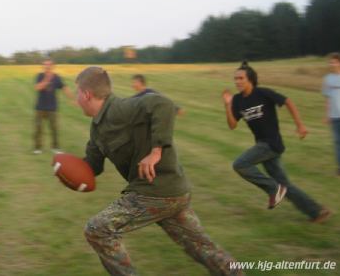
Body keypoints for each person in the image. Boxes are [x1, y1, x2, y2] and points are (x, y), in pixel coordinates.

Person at [76, 66, 241, 276]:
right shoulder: (97, 129)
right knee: (203, 248)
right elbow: (92, 167)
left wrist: (156, 151)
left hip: (154, 192)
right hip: (172, 194)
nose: (76, 97)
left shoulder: (122, 108)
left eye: (77, 93)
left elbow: (163, 104)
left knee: (97, 230)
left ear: (86, 94)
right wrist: (66, 170)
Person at [222, 61, 331, 222]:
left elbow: (288, 101)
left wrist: (300, 125)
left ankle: (274, 189)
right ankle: (317, 212)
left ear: (250, 79)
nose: (237, 81)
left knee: (240, 164)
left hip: (271, 144)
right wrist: (228, 105)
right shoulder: (237, 100)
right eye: (235, 79)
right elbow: (232, 125)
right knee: (285, 185)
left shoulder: (263, 93)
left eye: (240, 78)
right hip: (263, 144)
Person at [33, 59, 74, 154]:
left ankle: (55, 147)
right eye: (45, 65)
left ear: (53, 66)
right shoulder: (39, 76)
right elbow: (38, 87)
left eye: (49, 65)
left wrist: (72, 98)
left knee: (54, 128)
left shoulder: (57, 77)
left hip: (52, 107)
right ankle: (37, 148)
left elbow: (64, 88)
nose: (47, 67)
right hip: (40, 107)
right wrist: (47, 79)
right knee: (38, 128)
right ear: (43, 66)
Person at [322, 52, 340, 175]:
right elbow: (327, 98)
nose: (332, 63)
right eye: (330, 61)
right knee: (337, 142)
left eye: (334, 61)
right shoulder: (327, 79)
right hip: (334, 116)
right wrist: (327, 115)